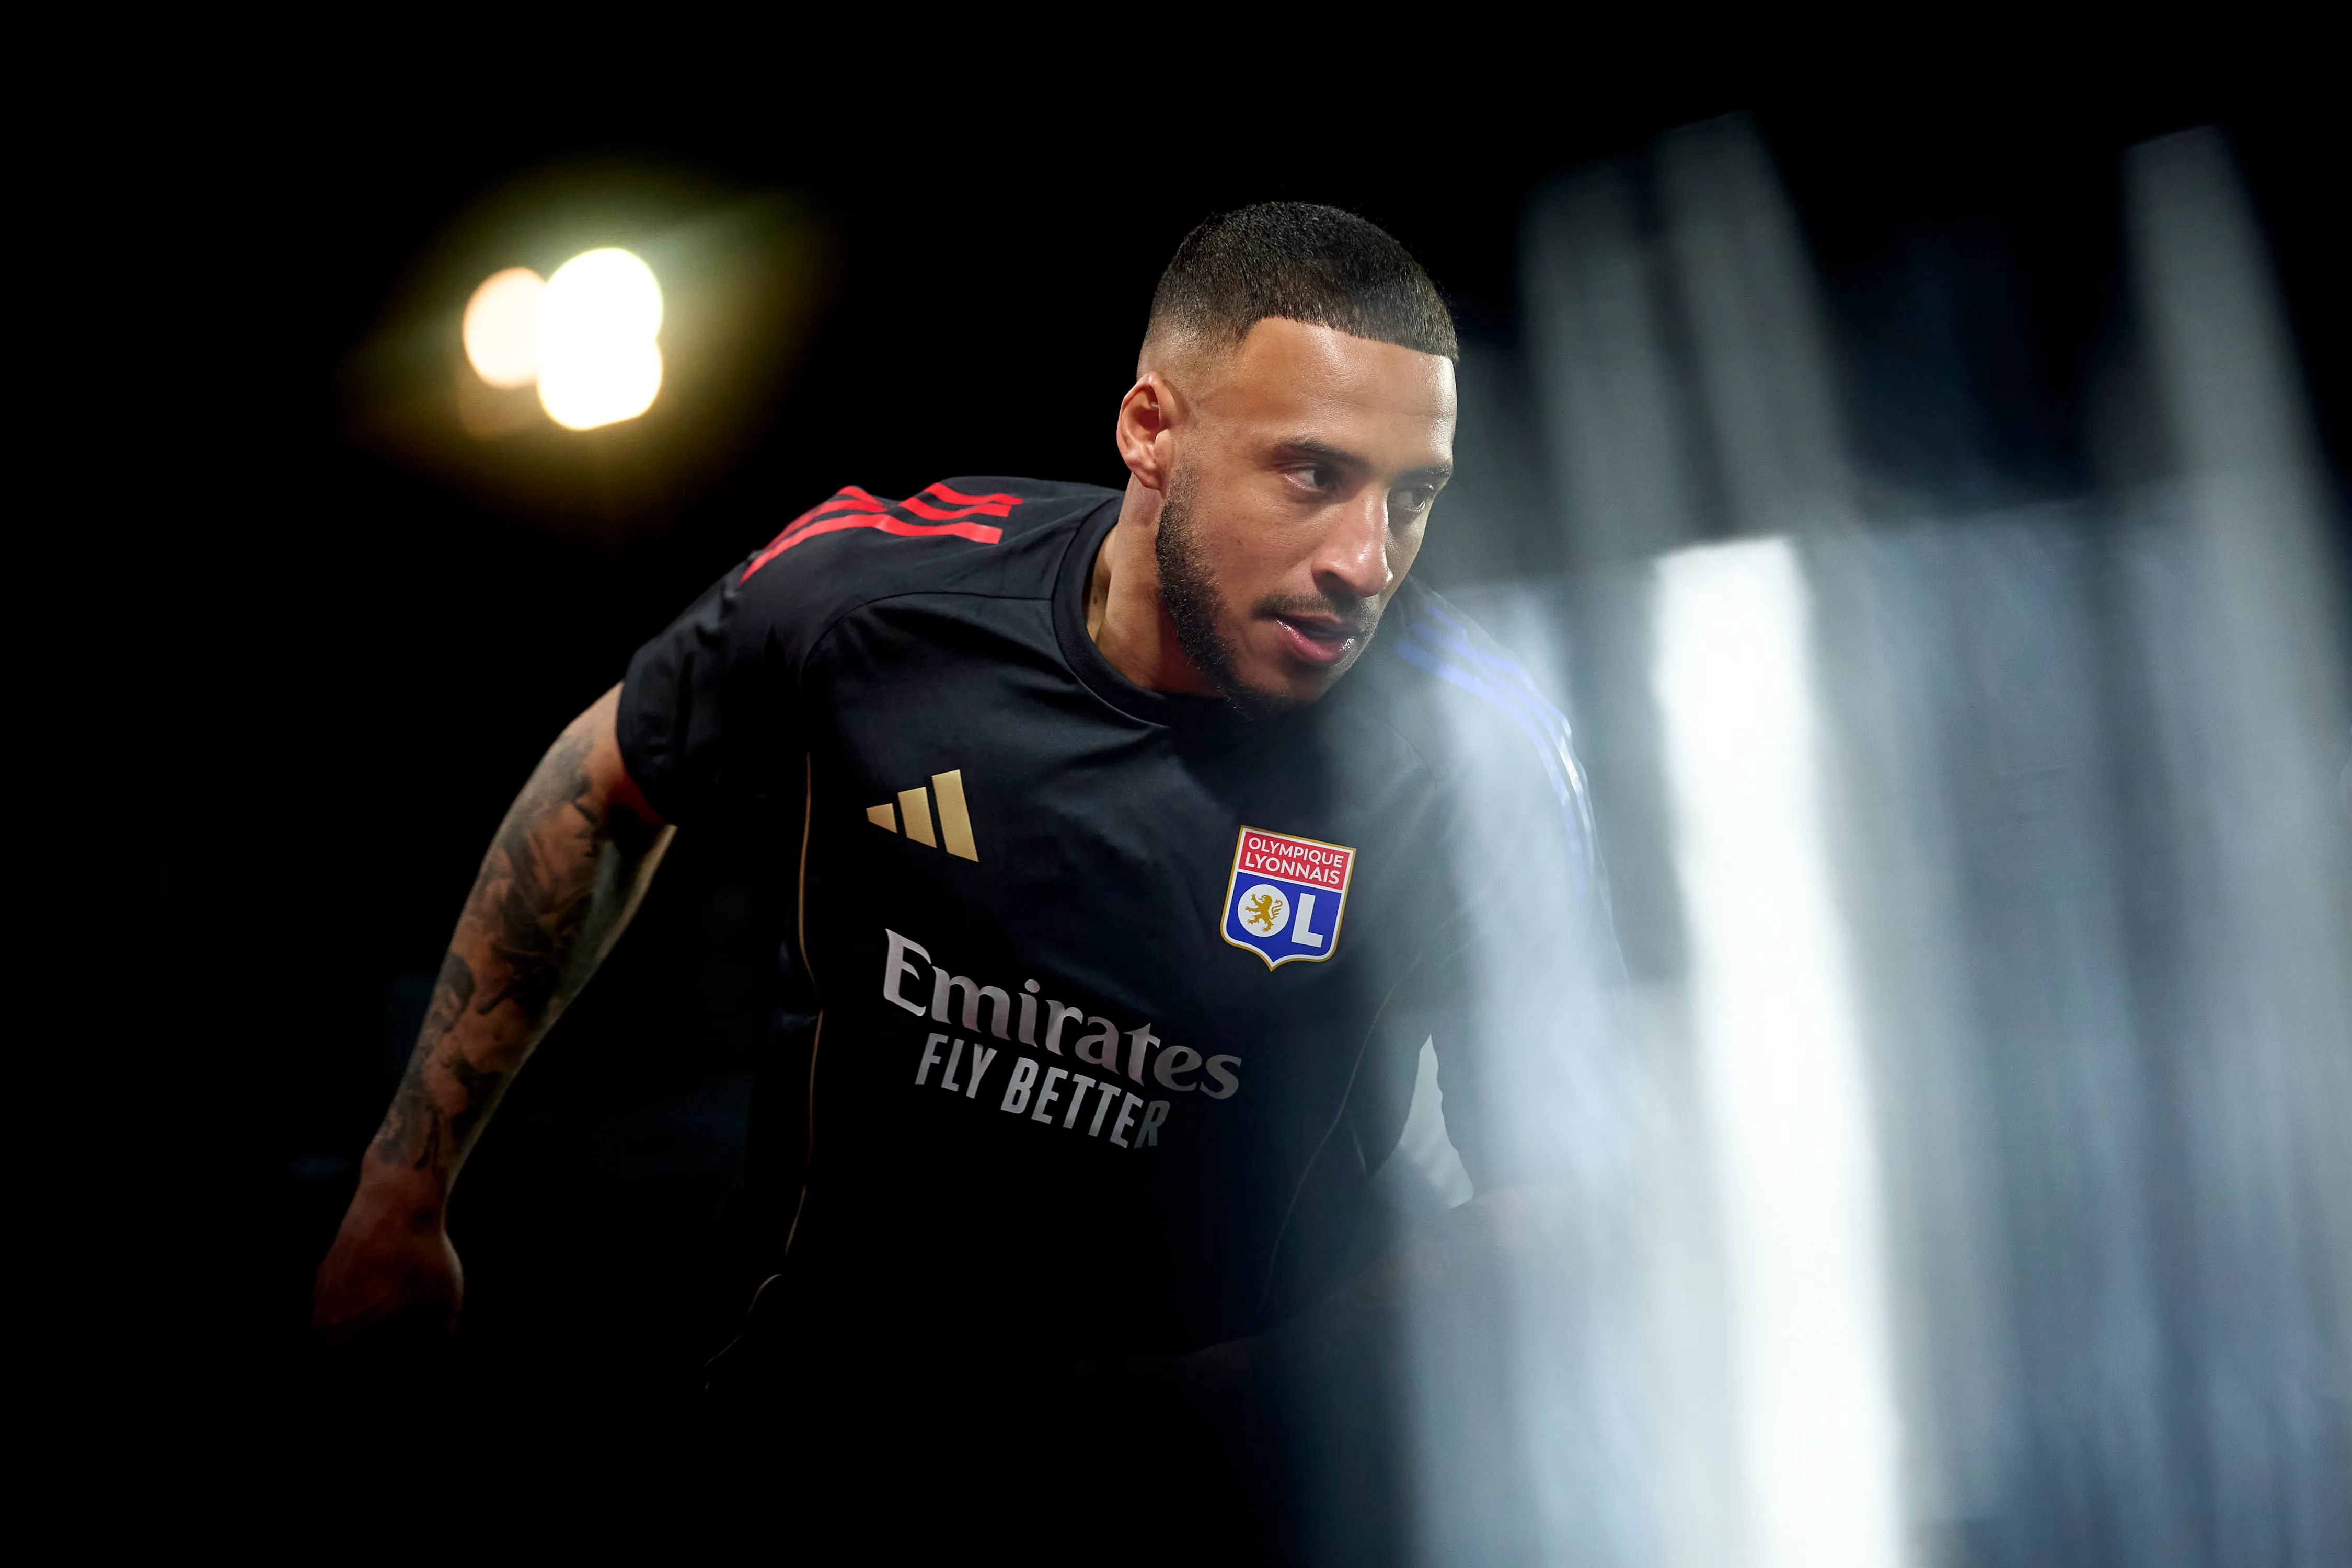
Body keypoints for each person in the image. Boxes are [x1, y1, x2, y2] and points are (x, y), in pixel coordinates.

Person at [313, 203, 1617, 1560]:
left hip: (1209, 1500)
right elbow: (602, 780)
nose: (1364, 560)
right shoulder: (880, 602)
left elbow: (1557, 1191)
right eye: (1310, 475)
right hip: (805, 1440)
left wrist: (1239, 1391)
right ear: (1150, 431)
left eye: (1411, 498)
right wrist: (402, 1195)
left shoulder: (1465, 763)